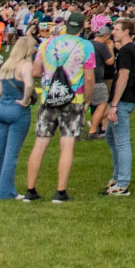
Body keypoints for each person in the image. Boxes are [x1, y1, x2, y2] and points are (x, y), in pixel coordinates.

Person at [21, 21, 94, 203]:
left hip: (49, 97)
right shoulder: (85, 45)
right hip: (74, 98)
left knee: (40, 143)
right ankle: (60, 192)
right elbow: (90, 76)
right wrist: (88, 99)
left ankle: (30, 190)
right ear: (82, 28)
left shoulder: (47, 43)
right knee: (67, 144)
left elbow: (36, 71)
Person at [0, 35, 36, 200]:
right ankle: (6, 191)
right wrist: (25, 99)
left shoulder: (6, 65)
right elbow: (28, 84)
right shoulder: (26, 65)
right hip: (17, 110)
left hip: (2, 109)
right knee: (11, 153)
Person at [100, 21, 135, 197]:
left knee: (121, 141)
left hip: (123, 100)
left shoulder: (127, 50)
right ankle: (117, 177)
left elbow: (123, 76)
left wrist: (114, 104)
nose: (113, 32)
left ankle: (122, 183)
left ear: (127, 32)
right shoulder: (134, 50)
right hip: (128, 98)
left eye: (117, 30)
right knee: (111, 138)